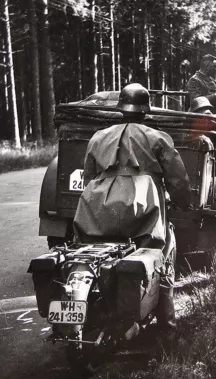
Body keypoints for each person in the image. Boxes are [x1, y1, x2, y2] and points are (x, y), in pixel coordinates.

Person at [74, 83, 192, 330]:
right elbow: (178, 179)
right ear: (145, 110)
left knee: (93, 254)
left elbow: (88, 176)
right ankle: (166, 327)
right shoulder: (157, 137)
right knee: (163, 254)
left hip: (97, 209)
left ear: (120, 109)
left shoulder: (98, 137)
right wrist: (183, 203)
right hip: (143, 209)